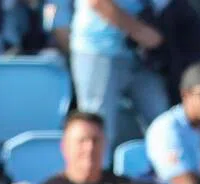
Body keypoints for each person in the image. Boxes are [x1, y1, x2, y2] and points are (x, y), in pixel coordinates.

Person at [67, 0, 170, 162]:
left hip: (141, 55)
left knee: (162, 122)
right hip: (98, 50)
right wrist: (139, 31)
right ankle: (95, 183)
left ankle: (170, 179)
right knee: (99, 127)